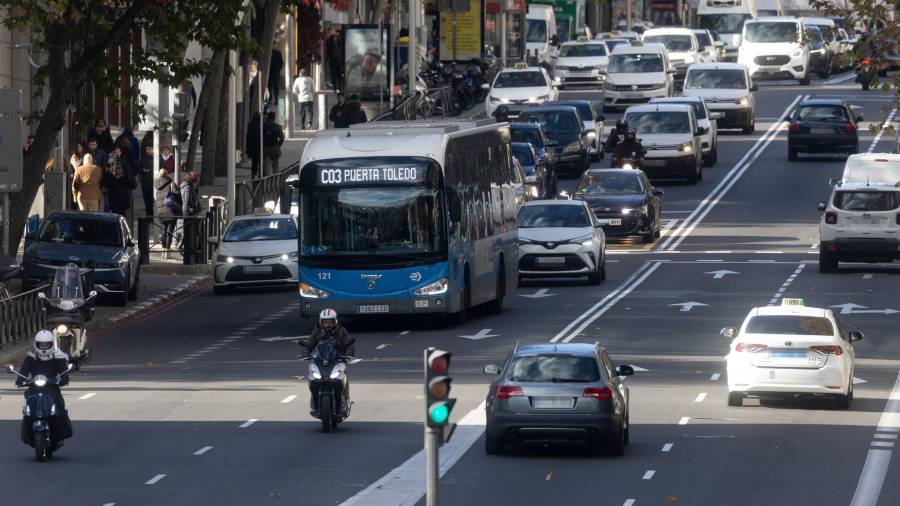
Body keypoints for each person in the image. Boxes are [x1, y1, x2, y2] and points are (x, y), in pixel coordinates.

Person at [14, 330, 73, 445]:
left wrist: (63, 379)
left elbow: (63, 372)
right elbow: (24, 371)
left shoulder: (58, 356)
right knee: (27, 410)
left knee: (59, 407)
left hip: (51, 387)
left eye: (46, 344)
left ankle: (62, 432)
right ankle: (27, 431)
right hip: (34, 387)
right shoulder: (31, 357)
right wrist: (20, 379)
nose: (44, 346)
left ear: (51, 344)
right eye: (42, 344)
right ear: (37, 344)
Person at [300, 309, 356, 412]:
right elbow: (309, 343)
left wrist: (348, 353)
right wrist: (305, 353)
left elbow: (349, 344)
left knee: (343, 376)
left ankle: (346, 398)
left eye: (330, 322)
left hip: (337, 360)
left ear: (335, 321)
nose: (328, 324)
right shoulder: (317, 331)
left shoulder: (341, 330)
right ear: (321, 322)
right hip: (320, 361)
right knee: (313, 377)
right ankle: (314, 399)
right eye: (325, 322)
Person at [103, 143, 135, 216]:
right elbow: (105, 176)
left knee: (121, 212)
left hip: (122, 190)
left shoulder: (124, 161)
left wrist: (128, 183)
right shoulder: (108, 162)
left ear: (121, 152)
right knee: (115, 211)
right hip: (113, 190)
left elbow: (129, 175)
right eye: (115, 152)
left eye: (118, 152)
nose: (117, 154)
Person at [154, 168, 179, 252]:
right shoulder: (171, 183)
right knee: (170, 232)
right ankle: (167, 251)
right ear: (167, 174)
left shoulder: (157, 186)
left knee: (164, 230)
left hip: (161, 212)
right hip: (171, 211)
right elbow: (177, 196)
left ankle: (163, 249)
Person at [262, 111, 285, 176]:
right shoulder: (278, 127)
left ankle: (268, 182)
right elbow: (282, 138)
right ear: (274, 118)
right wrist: (278, 145)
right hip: (275, 148)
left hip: (266, 149)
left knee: (267, 167)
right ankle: (276, 181)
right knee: (275, 165)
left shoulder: (263, 126)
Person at [139, 145, 158, 217]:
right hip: (146, 183)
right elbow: (139, 168)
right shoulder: (143, 158)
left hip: (155, 183)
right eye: (146, 149)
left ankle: (155, 216)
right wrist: (143, 170)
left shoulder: (157, 158)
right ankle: (149, 216)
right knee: (147, 201)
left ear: (153, 149)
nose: (147, 151)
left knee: (155, 201)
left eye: (149, 149)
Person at [246, 112, 262, 179]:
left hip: (252, 147)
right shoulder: (261, 125)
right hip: (259, 146)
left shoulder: (250, 125)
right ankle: (259, 174)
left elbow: (248, 137)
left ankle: (253, 173)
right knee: (260, 162)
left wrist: (247, 147)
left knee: (254, 162)